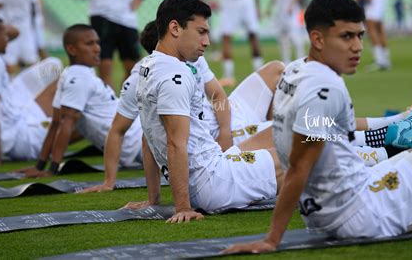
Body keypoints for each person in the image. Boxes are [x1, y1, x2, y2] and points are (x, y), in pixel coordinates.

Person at [224, 0, 412, 255]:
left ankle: (401, 134)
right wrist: (272, 239)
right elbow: (299, 167)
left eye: (360, 35)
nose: (358, 46)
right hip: (363, 211)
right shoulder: (326, 88)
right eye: (346, 37)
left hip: (334, 204)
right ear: (318, 39)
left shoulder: (295, 71)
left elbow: (312, 136)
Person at [83, 16, 284, 193]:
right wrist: (109, 182)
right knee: (298, 133)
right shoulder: (143, 79)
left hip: (229, 115)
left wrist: (225, 131)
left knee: (277, 69)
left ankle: (263, 129)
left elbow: (217, 95)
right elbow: (124, 132)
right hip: (229, 134)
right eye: (200, 33)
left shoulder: (193, 58)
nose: (204, 42)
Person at [135, 0, 283, 222]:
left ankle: (357, 135)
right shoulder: (176, 74)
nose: (207, 41)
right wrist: (183, 207)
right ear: (175, 28)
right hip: (216, 180)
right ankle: (356, 139)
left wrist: (154, 199)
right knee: (315, 149)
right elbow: (176, 143)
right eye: (201, 32)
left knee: (295, 135)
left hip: (213, 169)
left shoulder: (148, 68)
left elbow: (148, 138)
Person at [20, 24, 143, 178]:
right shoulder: (78, 78)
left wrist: (42, 166)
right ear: (72, 49)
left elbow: (58, 124)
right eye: (89, 44)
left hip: (141, 138)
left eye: (97, 43)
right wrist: (50, 169)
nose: (97, 48)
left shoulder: (70, 76)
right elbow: (62, 124)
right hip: (140, 142)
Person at [74, 0, 154, 88]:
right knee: (104, 65)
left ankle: (125, 101)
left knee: (134, 69)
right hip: (101, 16)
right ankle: (107, 103)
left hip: (126, 18)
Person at [0, 15, 62, 165]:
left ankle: (36, 112)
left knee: (53, 65)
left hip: (12, 98)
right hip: (16, 133)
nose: (8, 38)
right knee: (80, 111)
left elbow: (14, 32)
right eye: (4, 35)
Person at [211, 0, 263, 86]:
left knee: (226, 36)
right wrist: (257, 5)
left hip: (229, 0)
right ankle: (260, 72)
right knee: (253, 35)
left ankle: (228, 76)